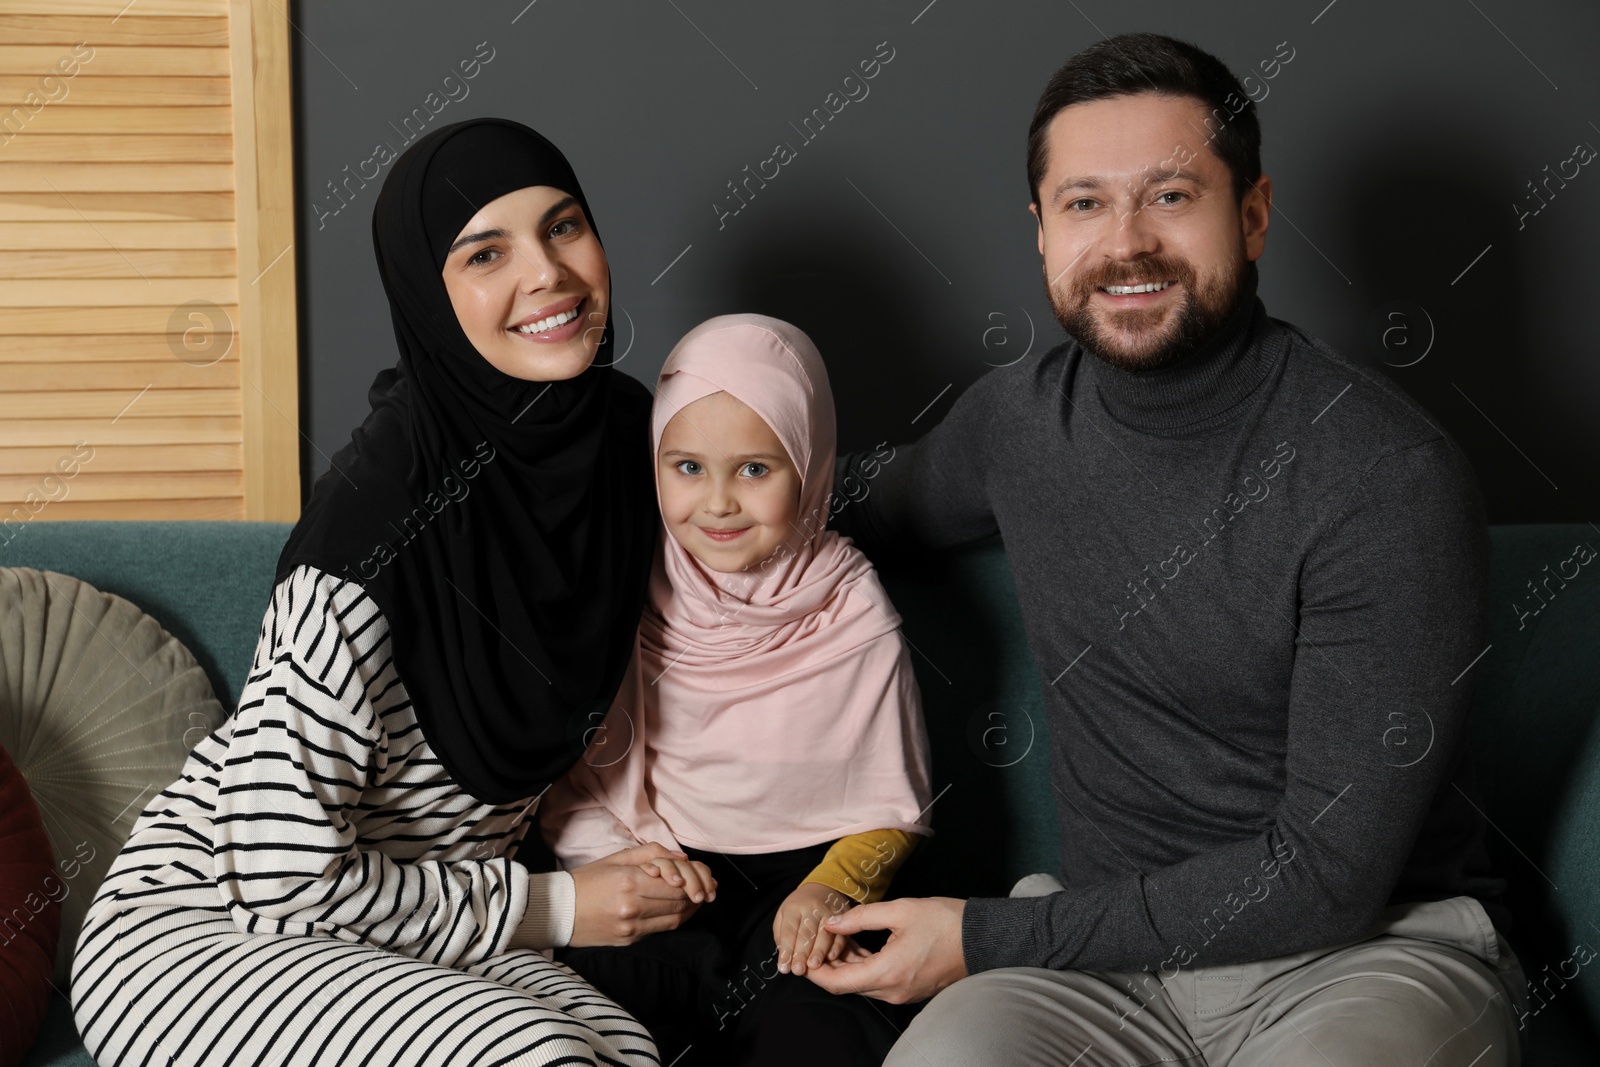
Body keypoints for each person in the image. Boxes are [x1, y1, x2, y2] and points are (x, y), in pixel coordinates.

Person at [813, 33, 1528, 1067]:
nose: (1126, 242)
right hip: (1100, 966)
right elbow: (839, 498)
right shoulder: (1015, 426)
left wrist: (979, 936)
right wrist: (644, 478)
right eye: (1085, 203)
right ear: (1042, 231)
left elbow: (1323, 873)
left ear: (1253, 213)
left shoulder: (1382, 473)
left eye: (1170, 196)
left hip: (1362, 955)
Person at [70, 118, 702, 1067]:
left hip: (421, 912)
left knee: (625, 1053)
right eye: (486, 253)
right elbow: (275, 874)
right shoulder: (371, 526)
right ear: (428, 293)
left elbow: (776, 509)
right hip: (208, 931)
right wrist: (561, 905)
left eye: (564, 226)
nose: (548, 276)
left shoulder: (622, 444)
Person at [541, 314, 934, 1066]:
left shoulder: (851, 607)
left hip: (815, 879)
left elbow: (896, 809)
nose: (718, 502)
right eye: (687, 467)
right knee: (586, 1016)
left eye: (755, 469)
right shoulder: (630, 584)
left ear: (811, 465)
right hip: (666, 866)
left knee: (822, 1030)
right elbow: (586, 774)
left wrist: (831, 891)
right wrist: (629, 860)